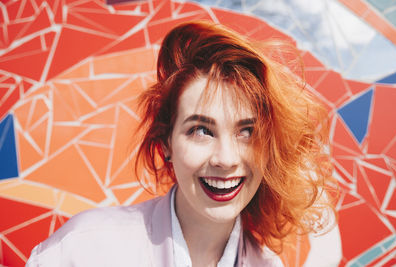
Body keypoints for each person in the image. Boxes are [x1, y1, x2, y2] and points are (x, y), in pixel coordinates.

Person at [26, 21, 335, 267]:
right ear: (166, 142)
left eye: (247, 133)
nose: (226, 159)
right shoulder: (84, 250)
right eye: (201, 130)